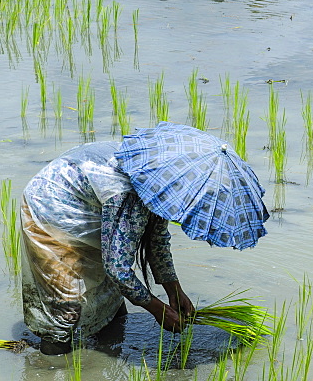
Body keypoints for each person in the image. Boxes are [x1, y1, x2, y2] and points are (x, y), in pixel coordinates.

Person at [21, 141, 194, 354]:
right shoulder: (129, 194)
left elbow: (156, 240)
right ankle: (51, 371)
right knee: (65, 307)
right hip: (50, 207)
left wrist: (174, 290)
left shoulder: (159, 188)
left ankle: (104, 362)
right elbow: (118, 269)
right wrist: (157, 309)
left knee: (109, 296)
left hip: (89, 206)